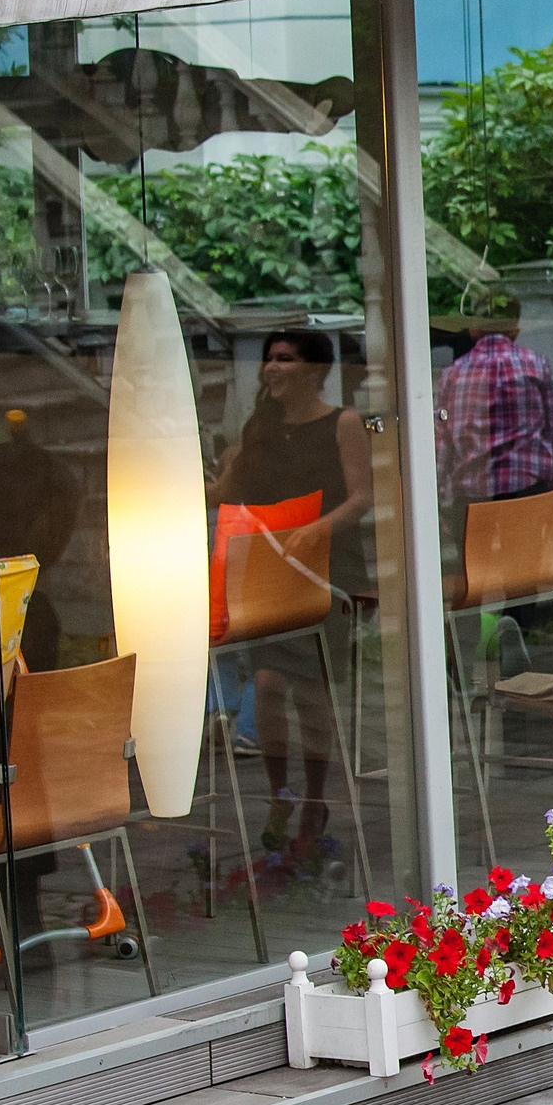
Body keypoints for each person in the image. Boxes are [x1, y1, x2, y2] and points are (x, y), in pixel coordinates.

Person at [210, 329, 371, 857]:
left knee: (311, 690)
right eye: (269, 359)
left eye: (285, 359)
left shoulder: (342, 423)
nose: (272, 368)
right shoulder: (261, 427)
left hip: (323, 570)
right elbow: (230, 492)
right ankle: (281, 791)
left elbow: (362, 498)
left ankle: (317, 797)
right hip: (270, 569)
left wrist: (319, 528)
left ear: (314, 370)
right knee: (266, 680)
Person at [435, 307, 553, 511]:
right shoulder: (536, 365)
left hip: (471, 499)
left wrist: (440, 500)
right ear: (515, 330)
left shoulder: (452, 375)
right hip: (529, 491)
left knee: (475, 543)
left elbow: (441, 445)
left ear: (473, 330)